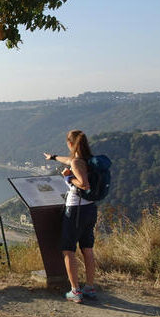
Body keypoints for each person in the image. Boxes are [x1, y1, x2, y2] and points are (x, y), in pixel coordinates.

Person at [44, 130, 97, 303]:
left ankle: (75, 291)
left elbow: (84, 183)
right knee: (87, 248)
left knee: (68, 249)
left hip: (76, 209)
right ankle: (89, 287)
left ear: (70, 144)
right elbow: (68, 160)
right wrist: (53, 157)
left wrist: (68, 178)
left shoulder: (76, 162)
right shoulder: (89, 159)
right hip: (90, 208)